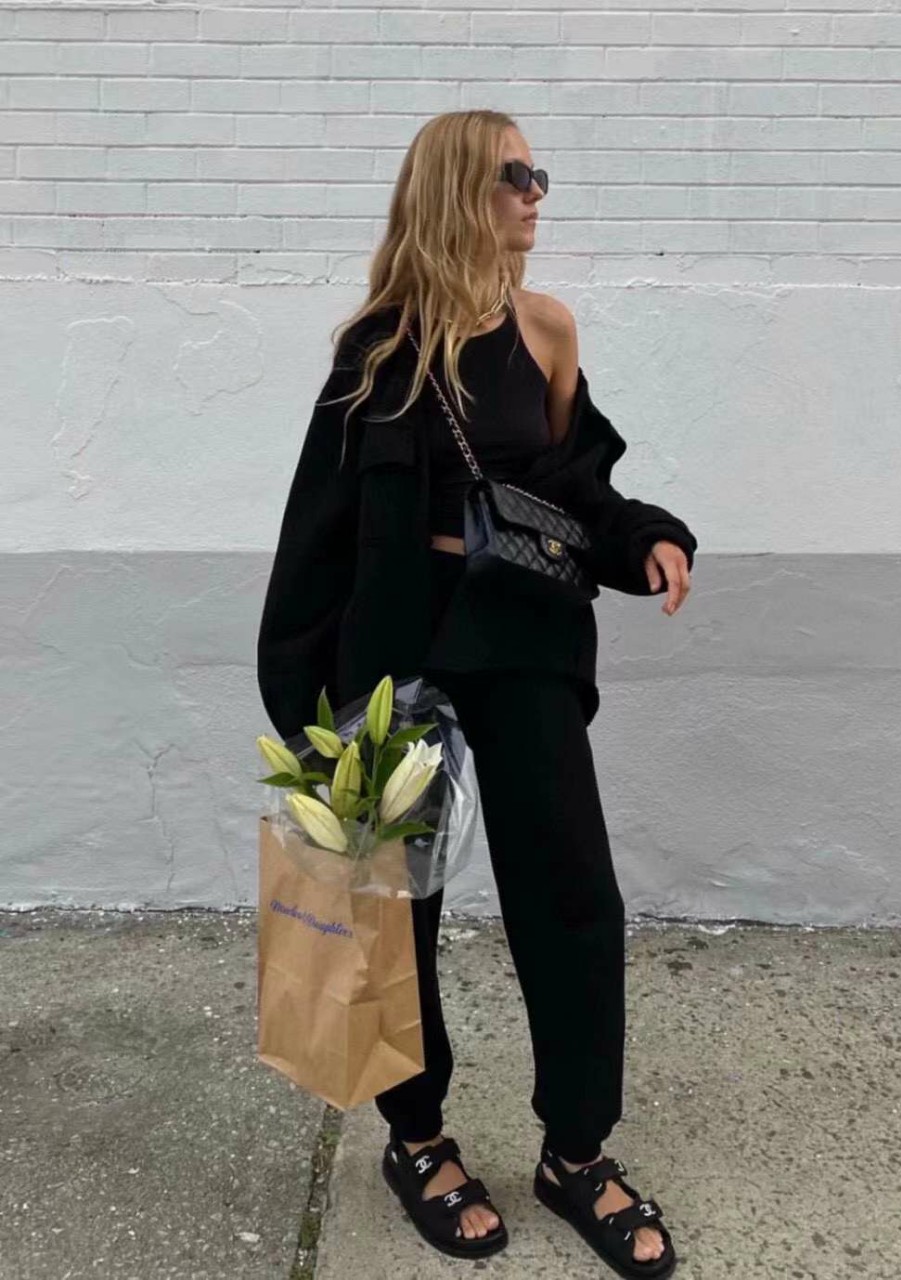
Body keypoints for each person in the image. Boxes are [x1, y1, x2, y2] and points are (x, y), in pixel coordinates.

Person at [256, 109, 695, 1279]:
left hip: (523, 640)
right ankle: (418, 1138)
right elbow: (317, 533)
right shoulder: (378, 352)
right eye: (515, 175)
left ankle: (576, 1149)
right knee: (391, 909)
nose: (536, 192)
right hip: (395, 654)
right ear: (459, 189)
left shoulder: (546, 329)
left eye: (539, 173)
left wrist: (647, 537)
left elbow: (578, 487)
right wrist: (303, 705)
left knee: (572, 891)